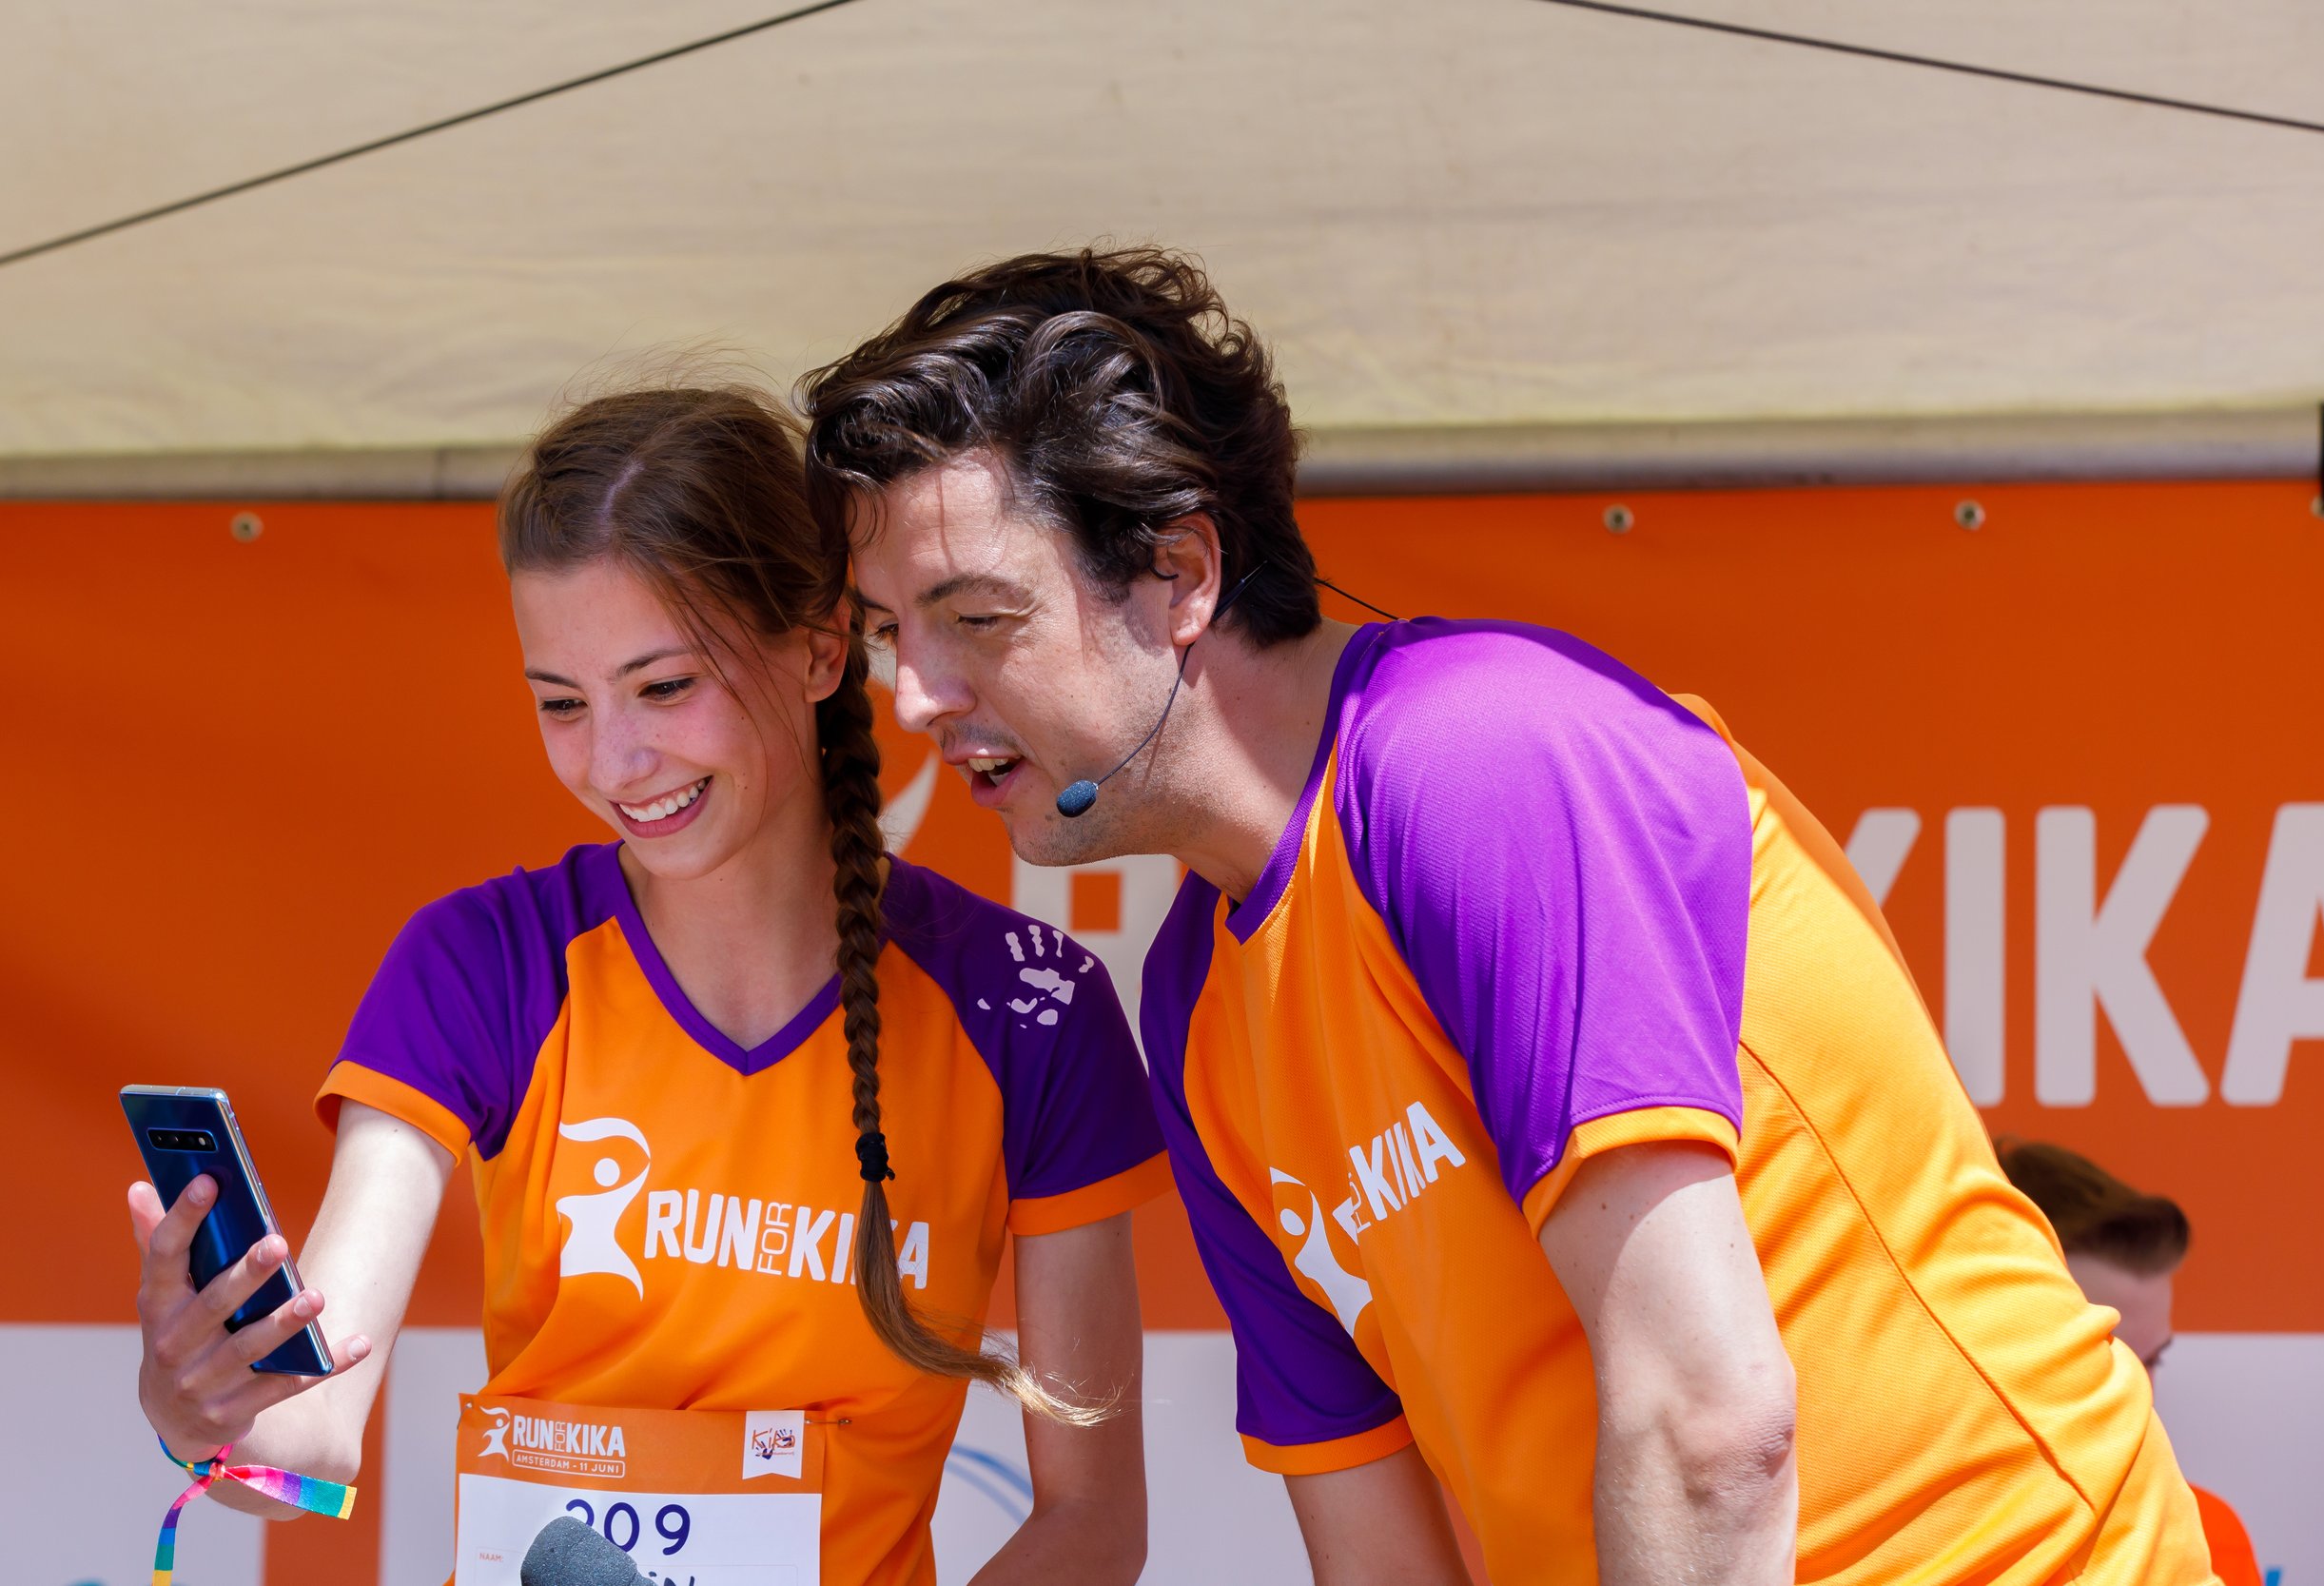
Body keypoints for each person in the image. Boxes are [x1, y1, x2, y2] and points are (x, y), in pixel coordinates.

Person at [802, 246, 2218, 1586]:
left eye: (975, 618)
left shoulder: (1477, 759)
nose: (915, 694)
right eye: (889, 632)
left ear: (1180, 573)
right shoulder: (1195, 1005)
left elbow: (1712, 1424)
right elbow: (1382, 1553)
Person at [126, 385, 1168, 1585]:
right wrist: (194, 1396)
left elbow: (1092, 1522)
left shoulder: (1027, 1002)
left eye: (665, 686)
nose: (615, 760)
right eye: (562, 702)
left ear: (822, 649)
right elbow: (306, 1437)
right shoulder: (483, 958)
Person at [1999, 1139, 2264, 1586]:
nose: (2142, 1397)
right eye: (2102, 1353)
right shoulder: (1889, 1551)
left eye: (2153, 1361)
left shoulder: (2210, 1538)